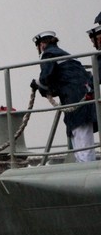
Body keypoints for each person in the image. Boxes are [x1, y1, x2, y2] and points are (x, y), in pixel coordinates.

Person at [31, 31, 97, 162]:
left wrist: (38, 85)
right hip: (82, 96)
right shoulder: (66, 54)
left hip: (75, 99)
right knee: (81, 138)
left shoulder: (48, 54)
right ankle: (85, 166)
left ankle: (87, 168)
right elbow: (63, 80)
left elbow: (45, 79)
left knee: (82, 142)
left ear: (42, 44)